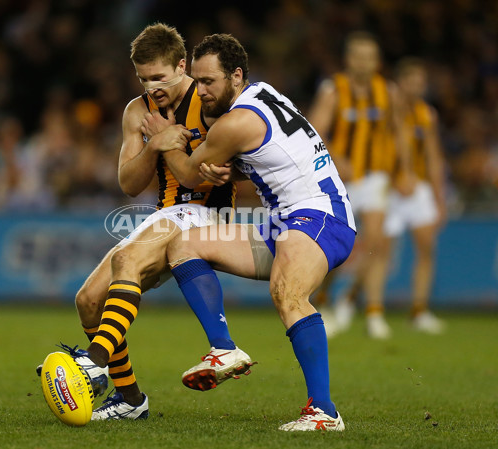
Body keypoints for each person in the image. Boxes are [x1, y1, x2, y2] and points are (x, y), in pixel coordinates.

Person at [143, 33, 356, 431]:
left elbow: (188, 173)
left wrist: (163, 140)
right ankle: (223, 349)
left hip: (319, 215)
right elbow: (275, 157)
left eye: (209, 82)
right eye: (198, 82)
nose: (200, 91)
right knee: (185, 243)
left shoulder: (236, 121)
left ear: (236, 76)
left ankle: (324, 412)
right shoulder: (261, 94)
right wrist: (232, 169)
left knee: (288, 294)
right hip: (286, 220)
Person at [54, 23, 255, 421]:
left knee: (126, 260)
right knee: (89, 301)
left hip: (206, 213)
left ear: (182, 65)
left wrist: (230, 171)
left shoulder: (211, 98)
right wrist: (155, 145)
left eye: (159, 77)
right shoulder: (137, 111)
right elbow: (129, 183)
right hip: (166, 213)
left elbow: (235, 162)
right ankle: (130, 401)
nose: (151, 87)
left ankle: (93, 363)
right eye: (143, 79)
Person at [308, 31, 412, 339]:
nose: (363, 63)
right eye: (357, 56)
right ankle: (325, 297)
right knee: (339, 248)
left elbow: (400, 132)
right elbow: (314, 131)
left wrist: (405, 171)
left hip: (375, 176)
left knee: (378, 242)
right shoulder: (333, 90)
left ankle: (369, 310)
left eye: (369, 57)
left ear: (377, 61)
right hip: (338, 180)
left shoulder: (387, 91)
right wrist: (338, 157)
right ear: (348, 60)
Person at [380, 57, 447, 333]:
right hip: (389, 187)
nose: (416, 87)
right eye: (411, 81)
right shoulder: (384, 113)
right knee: (380, 251)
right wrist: (393, 178)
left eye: (421, 82)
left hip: (417, 187)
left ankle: (419, 310)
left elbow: (433, 155)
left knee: (427, 247)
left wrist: (439, 196)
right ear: (399, 83)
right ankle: (363, 306)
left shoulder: (426, 114)